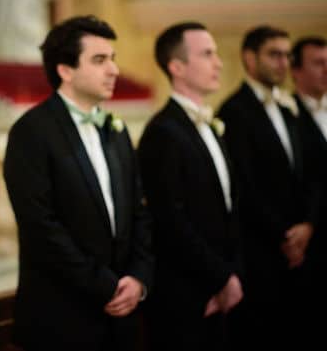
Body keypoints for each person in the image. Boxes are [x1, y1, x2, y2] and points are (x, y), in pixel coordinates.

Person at [3, 15, 154, 351]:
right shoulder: (32, 132)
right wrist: (106, 285)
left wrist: (138, 278)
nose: (113, 70)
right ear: (65, 70)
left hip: (122, 319)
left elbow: (139, 213)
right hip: (62, 319)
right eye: (99, 60)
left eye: (112, 59)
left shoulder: (116, 130)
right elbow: (41, 226)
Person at [137, 22, 243, 351]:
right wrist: (218, 278)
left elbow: (229, 208)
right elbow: (169, 219)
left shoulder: (209, 125)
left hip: (222, 285)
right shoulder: (162, 132)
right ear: (177, 67)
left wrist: (231, 274)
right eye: (207, 54)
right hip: (186, 293)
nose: (219, 62)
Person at [218, 25, 318, 350]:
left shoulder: (293, 108)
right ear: (250, 58)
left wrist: (308, 224)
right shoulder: (233, 112)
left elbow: (314, 172)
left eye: (287, 56)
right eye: (274, 55)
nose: (283, 63)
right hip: (262, 251)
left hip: (304, 246)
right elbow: (243, 187)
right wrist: (285, 235)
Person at [291, 36, 327, 348]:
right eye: (318, 63)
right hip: (311, 241)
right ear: (297, 72)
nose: (326, 70)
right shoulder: (290, 118)